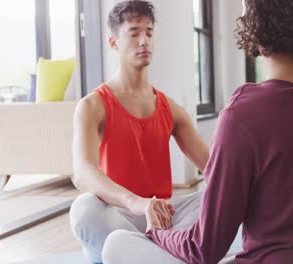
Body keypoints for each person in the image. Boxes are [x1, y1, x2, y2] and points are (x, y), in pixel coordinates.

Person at [101, 0, 293, 263]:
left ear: (257, 24)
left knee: (117, 244)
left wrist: (157, 234)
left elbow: (203, 249)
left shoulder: (244, 111)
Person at [69, 1, 209, 263]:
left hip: (162, 221)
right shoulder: (92, 105)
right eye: (134, 33)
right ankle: (154, 254)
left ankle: (142, 254)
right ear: (114, 43)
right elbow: (82, 173)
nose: (144, 41)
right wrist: (136, 202)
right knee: (84, 209)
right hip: (117, 216)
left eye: (149, 32)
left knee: (211, 200)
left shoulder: (171, 109)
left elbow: (214, 167)